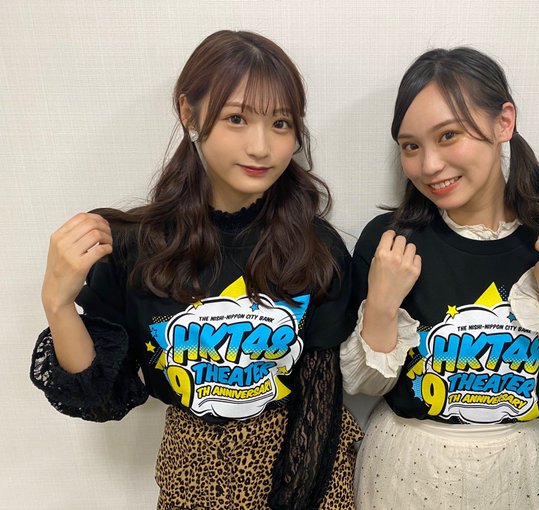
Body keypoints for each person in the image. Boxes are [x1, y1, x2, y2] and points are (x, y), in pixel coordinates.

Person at [31, 30, 362, 510]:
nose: (262, 147)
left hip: (303, 471)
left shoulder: (316, 248)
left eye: (280, 123)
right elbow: (101, 398)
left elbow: (321, 399)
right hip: (192, 475)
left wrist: (294, 497)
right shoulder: (136, 248)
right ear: (189, 113)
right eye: (237, 118)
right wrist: (58, 304)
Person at [341, 47, 539, 509]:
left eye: (448, 135)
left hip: (512, 471)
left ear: (503, 123)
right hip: (402, 466)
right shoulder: (389, 241)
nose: (429, 165)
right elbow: (363, 384)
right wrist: (381, 305)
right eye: (411, 146)